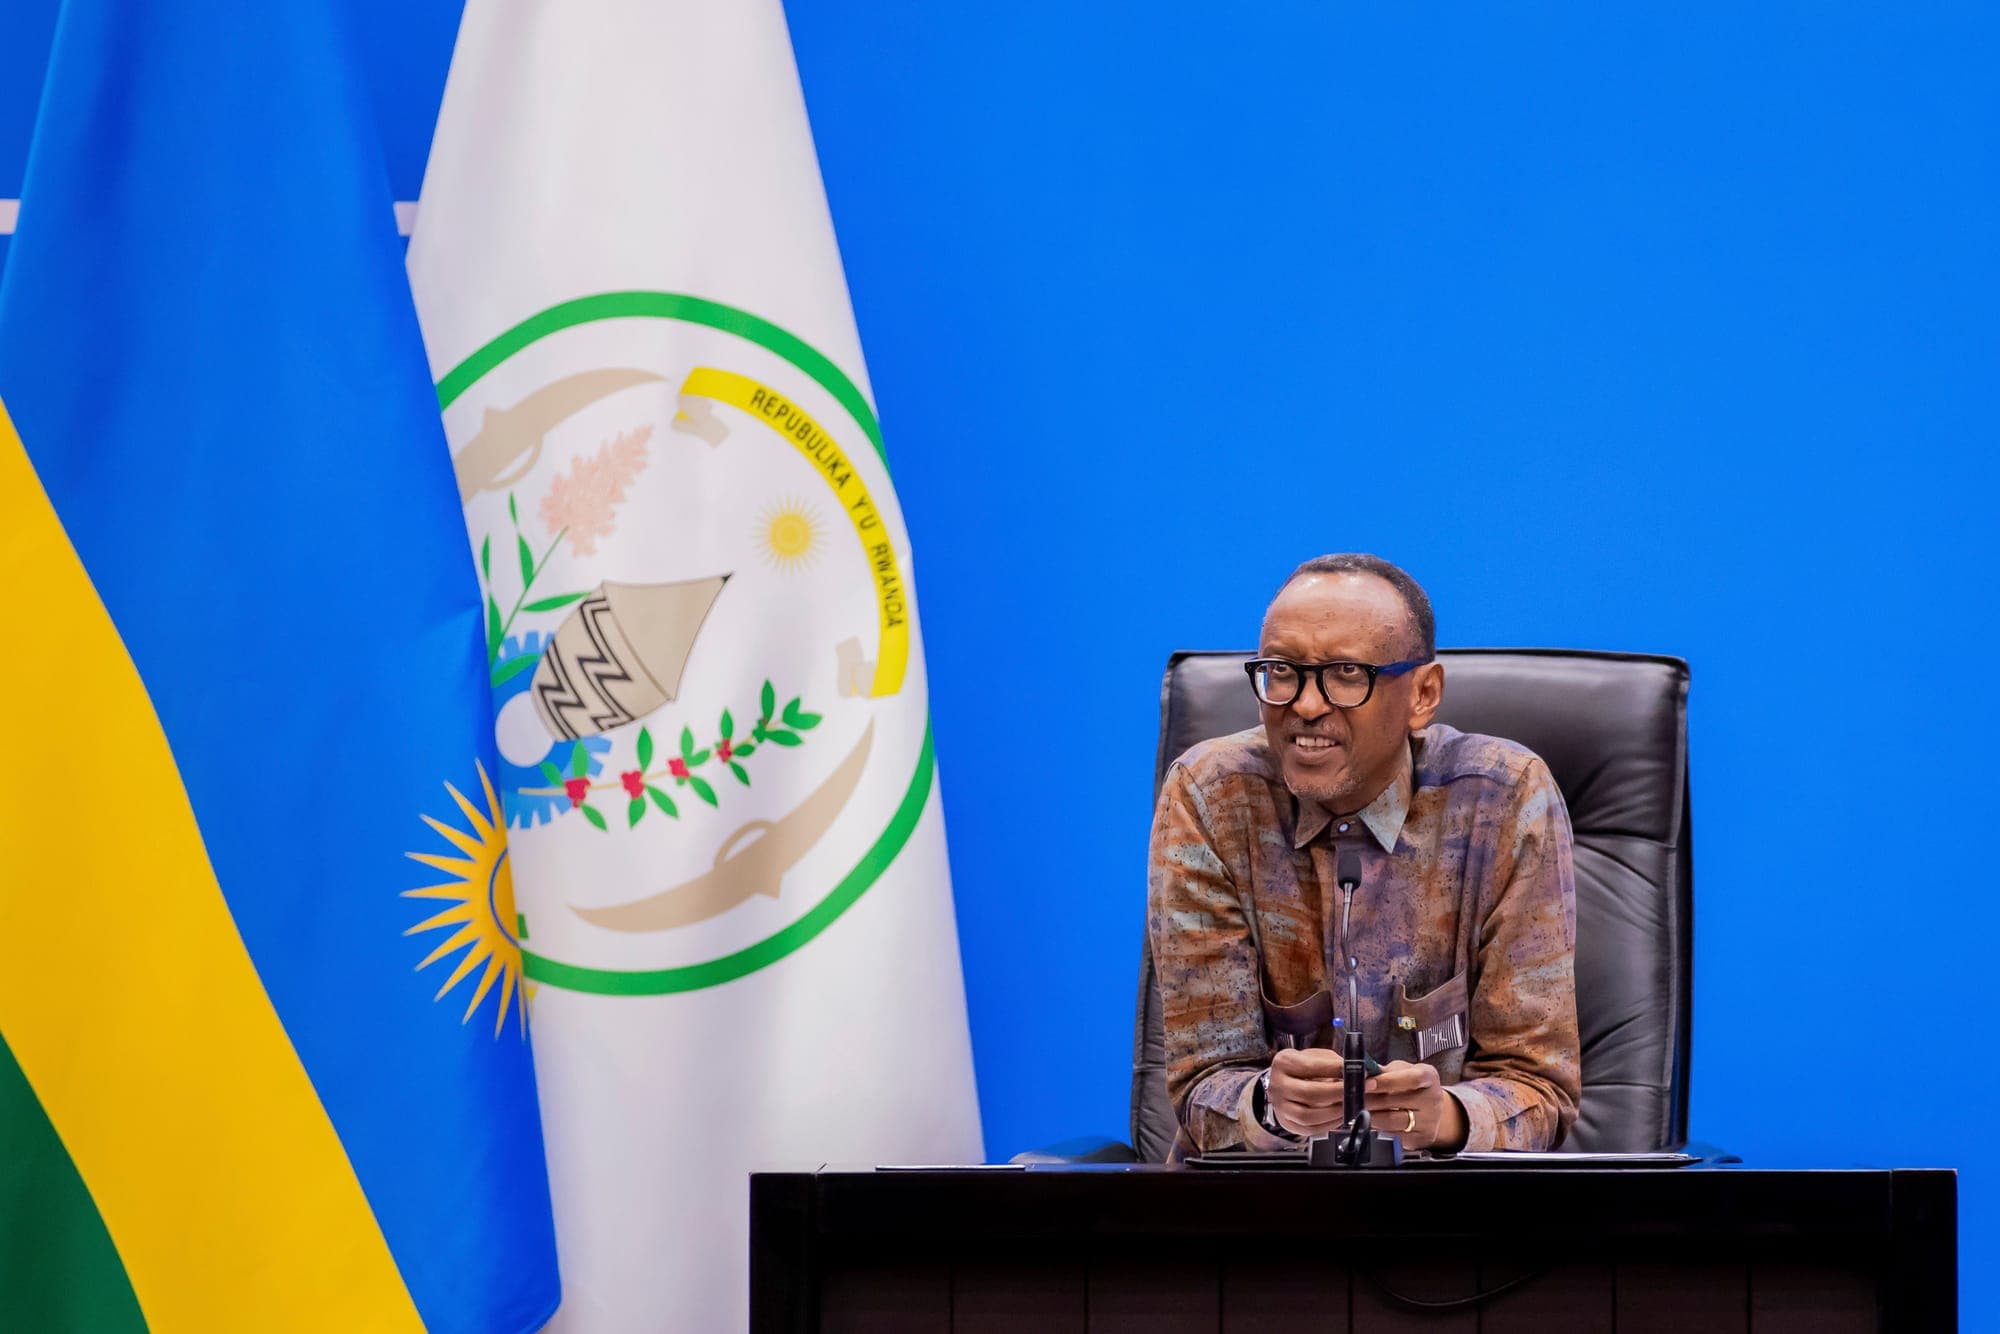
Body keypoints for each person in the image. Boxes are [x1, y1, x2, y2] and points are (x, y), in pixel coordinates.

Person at [1147, 553, 1580, 1158]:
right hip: (1255, 1217)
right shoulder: (1213, 797)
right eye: (1282, 670)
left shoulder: (1503, 800)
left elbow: (1540, 1089)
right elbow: (1201, 1086)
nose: (1304, 705)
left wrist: (1447, 1115)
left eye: (1346, 673)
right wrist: (1270, 1106)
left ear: (1423, 693)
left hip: (1449, 1223)